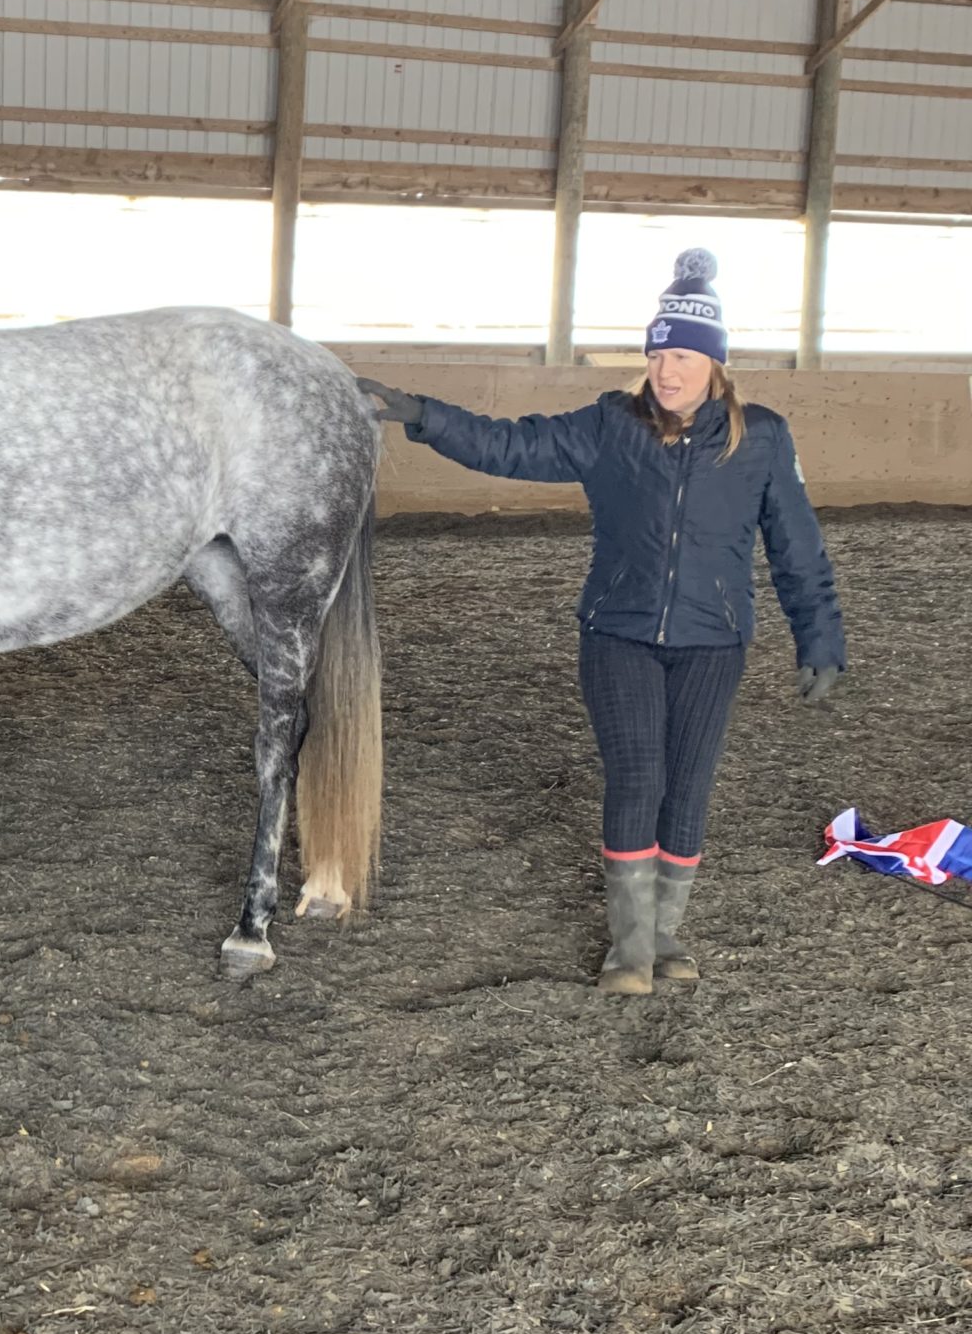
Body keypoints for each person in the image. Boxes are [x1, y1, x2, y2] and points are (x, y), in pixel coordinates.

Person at [359, 249, 845, 995]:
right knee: (638, 774)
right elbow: (509, 443)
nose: (667, 371)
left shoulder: (764, 440)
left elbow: (796, 546)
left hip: (714, 641)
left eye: (683, 356)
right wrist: (424, 416)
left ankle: (664, 933)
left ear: (715, 365)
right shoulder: (610, 427)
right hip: (618, 632)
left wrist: (820, 637)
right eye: (658, 354)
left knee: (687, 786)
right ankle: (629, 948)